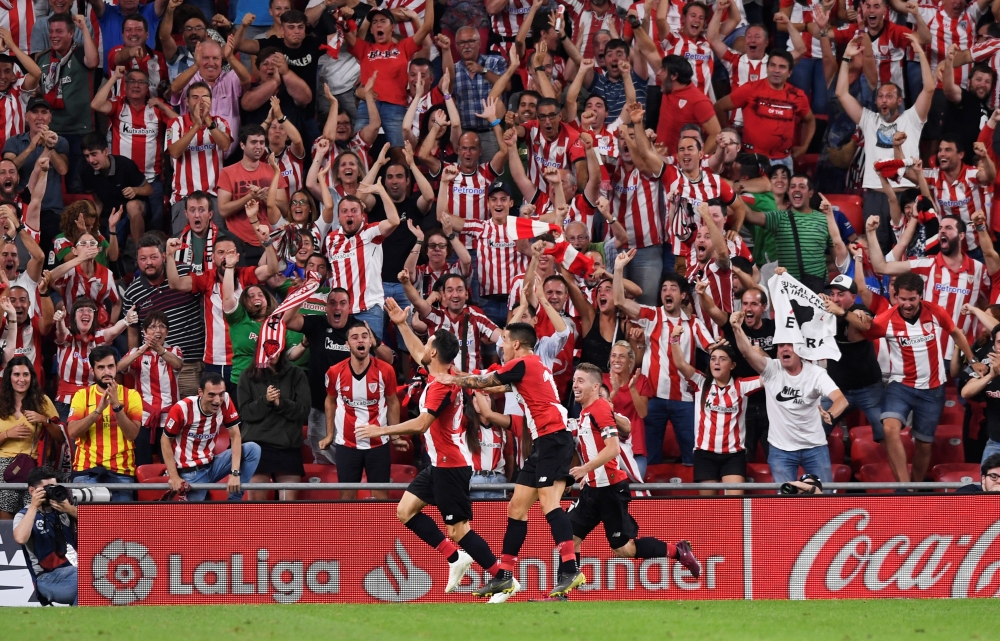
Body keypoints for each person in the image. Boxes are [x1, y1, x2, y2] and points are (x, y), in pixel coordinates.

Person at [356, 301, 502, 595]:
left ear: (433, 351)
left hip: (451, 465)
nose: (424, 346)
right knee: (406, 510)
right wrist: (400, 324)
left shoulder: (440, 386)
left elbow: (422, 424)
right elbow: (418, 352)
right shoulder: (443, 373)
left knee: (459, 531)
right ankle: (455, 557)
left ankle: (502, 576)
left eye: (428, 342)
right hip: (440, 463)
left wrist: (380, 430)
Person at [439, 322, 584, 602]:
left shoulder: (525, 363)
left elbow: (485, 381)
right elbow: (493, 382)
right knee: (516, 507)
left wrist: (453, 379)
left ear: (516, 344)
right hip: (545, 442)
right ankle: (504, 575)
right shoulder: (531, 366)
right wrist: (462, 375)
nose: (501, 345)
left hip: (554, 439)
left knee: (549, 503)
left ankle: (570, 568)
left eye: (504, 340)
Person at [568, 363, 701, 574]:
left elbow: (612, 450)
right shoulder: (585, 413)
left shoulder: (601, 409)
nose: (574, 385)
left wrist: (585, 469)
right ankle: (562, 592)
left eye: (580, 381)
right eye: (574, 380)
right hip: (592, 489)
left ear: (595, 387)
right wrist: (588, 474)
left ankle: (678, 551)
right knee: (568, 536)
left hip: (609, 489)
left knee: (624, 550)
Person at [863, 272, 980, 483]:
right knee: (889, 429)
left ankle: (916, 491)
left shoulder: (935, 312)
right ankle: (904, 488)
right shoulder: (885, 320)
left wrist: (972, 360)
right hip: (900, 386)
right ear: (895, 296)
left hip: (933, 389)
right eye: (902, 299)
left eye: (912, 299)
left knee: (924, 444)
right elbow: (861, 336)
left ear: (920, 296)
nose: (907, 304)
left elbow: (956, 332)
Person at [835, 31, 934, 256]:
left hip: (905, 193)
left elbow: (929, 89)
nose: (883, 100)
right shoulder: (869, 119)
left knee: (908, 252)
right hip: (875, 195)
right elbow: (841, 93)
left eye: (889, 96)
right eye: (880, 96)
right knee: (877, 253)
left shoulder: (912, 118)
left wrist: (920, 53)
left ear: (899, 101)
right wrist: (846, 59)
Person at [613, 250, 713, 467]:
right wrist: (619, 269)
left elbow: (712, 348)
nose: (667, 292)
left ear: (683, 295)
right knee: (651, 458)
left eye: (673, 288)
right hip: (652, 398)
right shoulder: (652, 315)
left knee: (693, 458)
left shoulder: (693, 324)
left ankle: (695, 499)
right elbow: (620, 301)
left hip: (684, 400)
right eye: (664, 289)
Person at [731, 311, 848, 486]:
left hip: (814, 447)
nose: (784, 348)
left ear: (800, 350)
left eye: (790, 345)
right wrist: (736, 329)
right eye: (780, 345)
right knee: (785, 503)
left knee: (824, 500)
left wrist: (830, 414)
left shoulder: (816, 374)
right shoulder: (771, 370)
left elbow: (841, 400)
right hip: (781, 451)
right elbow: (747, 353)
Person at [281, 287, 393, 465]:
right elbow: (284, 320)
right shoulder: (317, 324)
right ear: (326, 307)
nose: (337, 308)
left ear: (350, 307)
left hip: (352, 409)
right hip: (319, 405)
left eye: (342, 303)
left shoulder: (359, 330)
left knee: (352, 459)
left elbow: (389, 360)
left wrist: (374, 341)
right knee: (323, 457)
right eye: (332, 303)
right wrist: (303, 293)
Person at [165, 226, 278, 385]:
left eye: (230, 253)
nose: (226, 257)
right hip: (214, 359)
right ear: (212, 257)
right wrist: (170, 255)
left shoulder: (246, 275)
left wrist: (267, 242)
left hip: (244, 358)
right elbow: (175, 284)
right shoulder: (207, 279)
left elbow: (273, 269)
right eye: (220, 253)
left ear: (237, 256)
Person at [670, 328, 760, 494]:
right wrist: (674, 340)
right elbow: (680, 364)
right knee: (708, 508)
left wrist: (756, 353)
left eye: (722, 359)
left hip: (733, 455)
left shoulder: (742, 386)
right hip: (705, 455)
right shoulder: (700, 382)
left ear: (733, 365)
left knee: (734, 505)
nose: (716, 362)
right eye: (713, 359)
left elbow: (770, 375)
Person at [319, 321, 402, 501]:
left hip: (378, 444)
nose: (360, 341)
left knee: (381, 496)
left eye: (364, 336)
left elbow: (393, 402)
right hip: (347, 444)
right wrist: (329, 435)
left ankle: (380, 529)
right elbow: (330, 401)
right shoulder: (335, 372)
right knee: (347, 496)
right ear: (347, 344)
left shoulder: (386, 370)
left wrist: (394, 435)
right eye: (354, 338)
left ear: (371, 342)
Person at [91, 65, 177, 237]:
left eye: (141, 82)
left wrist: (161, 104)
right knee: (119, 228)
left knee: (156, 227)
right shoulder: (118, 105)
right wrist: (114, 77)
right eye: (131, 81)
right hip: (122, 180)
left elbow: (179, 123)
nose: (136, 86)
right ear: (125, 85)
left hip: (152, 179)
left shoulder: (156, 108)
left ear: (147, 87)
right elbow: (96, 104)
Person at [120, 233, 205, 398]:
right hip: (166, 367)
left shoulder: (183, 271)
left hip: (201, 357)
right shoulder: (132, 293)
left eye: (153, 257)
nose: (149, 263)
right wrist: (136, 362)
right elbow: (133, 332)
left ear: (164, 256)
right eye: (143, 259)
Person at [161, 372, 261, 501]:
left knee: (253, 449)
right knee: (194, 520)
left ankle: (233, 502)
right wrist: (174, 477)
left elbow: (235, 435)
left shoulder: (225, 400)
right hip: (191, 473)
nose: (217, 400)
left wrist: (235, 473)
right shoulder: (182, 408)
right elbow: (165, 440)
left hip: (213, 464)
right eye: (211, 395)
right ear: (200, 392)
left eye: (221, 394)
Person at [322, 178, 401, 340]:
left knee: (369, 358)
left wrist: (381, 191)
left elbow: (394, 221)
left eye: (353, 210)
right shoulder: (331, 239)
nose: (349, 214)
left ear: (362, 213)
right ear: (339, 216)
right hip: (340, 311)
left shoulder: (370, 233)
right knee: (340, 359)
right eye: (344, 211)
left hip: (369, 310)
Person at [712, 49, 814, 169]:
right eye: (772, 65)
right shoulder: (750, 89)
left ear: (790, 72)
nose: (776, 70)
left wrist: (804, 146)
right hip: (752, 158)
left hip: (784, 160)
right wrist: (731, 135)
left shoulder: (798, 96)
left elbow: (810, 120)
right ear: (767, 68)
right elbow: (719, 107)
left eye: (782, 67)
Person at [65, 346, 143, 502]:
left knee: (120, 526)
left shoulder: (131, 395)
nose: (106, 371)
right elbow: (72, 432)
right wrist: (98, 411)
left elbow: (132, 434)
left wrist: (116, 407)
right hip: (86, 471)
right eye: (101, 367)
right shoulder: (82, 395)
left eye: (110, 366)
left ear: (116, 368)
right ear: (93, 370)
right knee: (88, 525)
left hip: (121, 472)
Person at [743, 177, 848, 292]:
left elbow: (837, 259)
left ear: (810, 193)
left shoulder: (824, 219)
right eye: (792, 187)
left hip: (818, 290)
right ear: (788, 192)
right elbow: (750, 216)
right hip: (790, 290)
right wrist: (731, 194)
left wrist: (816, 266)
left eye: (802, 187)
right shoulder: (779, 217)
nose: (796, 189)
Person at [34, 13, 100, 194]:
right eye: (51, 31)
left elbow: (94, 61)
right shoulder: (42, 59)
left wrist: (84, 28)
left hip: (79, 130)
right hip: (52, 130)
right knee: (48, 182)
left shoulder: (80, 54)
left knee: (76, 185)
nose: (54, 35)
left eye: (59, 31)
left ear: (71, 33)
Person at [237, 343, 310, 501]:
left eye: (276, 348)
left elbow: (303, 411)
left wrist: (280, 403)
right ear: (259, 350)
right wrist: (266, 401)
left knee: (288, 507)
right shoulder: (247, 376)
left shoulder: (297, 374)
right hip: (257, 445)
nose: (272, 353)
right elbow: (246, 413)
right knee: (256, 506)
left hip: (288, 446)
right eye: (267, 348)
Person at [820, 275, 885, 439]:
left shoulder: (861, 310)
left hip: (868, 388)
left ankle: (893, 464)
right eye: (833, 294)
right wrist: (814, 300)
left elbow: (865, 325)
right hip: (837, 389)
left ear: (853, 298)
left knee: (884, 432)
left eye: (841, 294)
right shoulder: (825, 312)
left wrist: (842, 312)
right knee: (816, 430)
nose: (835, 298)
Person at [116, 311, 183, 467]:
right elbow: (118, 367)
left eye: (162, 326)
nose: (157, 330)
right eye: (152, 327)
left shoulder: (174, 350)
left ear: (167, 332)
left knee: (168, 462)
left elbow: (178, 364)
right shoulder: (136, 353)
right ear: (144, 332)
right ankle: (142, 491)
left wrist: (159, 349)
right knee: (142, 460)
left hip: (169, 415)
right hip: (143, 416)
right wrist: (141, 350)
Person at [165, 81, 234, 233]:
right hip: (183, 197)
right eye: (195, 97)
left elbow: (225, 145)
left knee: (218, 247)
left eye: (205, 97)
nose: (200, 101)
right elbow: (175, 152)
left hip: (214, 197)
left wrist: (208, 123)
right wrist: (196, 125)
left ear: (211, 101)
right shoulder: (175, 123)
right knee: (182, 249)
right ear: (187, 102)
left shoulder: (220, 122)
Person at [52, 298, 135, 421]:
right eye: (81, 310)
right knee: (68, 439)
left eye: (89, 310)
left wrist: (126, 320)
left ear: (94, 317)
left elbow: (114, 331)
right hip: (66, 402)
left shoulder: (99, 337)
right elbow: (61, 332)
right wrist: (60, 321)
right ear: (74, 317)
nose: (85, 313)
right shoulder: (68, 337)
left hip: (93, 401)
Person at [0, 356, 62, 519]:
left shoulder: (42, 402)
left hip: (36, 464)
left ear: (32, 377)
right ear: (9, 377)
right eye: (17, 375)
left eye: (26, 375)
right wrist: (8, 434)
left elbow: (61, 436)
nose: (21, 379)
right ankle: (10, 545)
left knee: (35, 513)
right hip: (5, 465)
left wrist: (45, 420)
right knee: (5, 509)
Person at [217, 125, 288, 262]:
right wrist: (250, 196)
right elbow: (223, 210)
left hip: (270, 241)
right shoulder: (228, 172)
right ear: (242, 145)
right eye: (253, 142)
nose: (259, 146)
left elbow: (285, 209)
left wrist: (265, 197)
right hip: (240, 244)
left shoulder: (273, 171)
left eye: (262, 142)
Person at [12, 467, 78, 605]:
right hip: (47, 578)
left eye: (53, 487)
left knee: (94, 579)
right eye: (46, 488)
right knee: (89, 579)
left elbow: (99, 526)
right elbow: (20, 538)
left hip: (74, 571)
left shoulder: (64, 509)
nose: (51, 492)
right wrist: (33, 507)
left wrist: (70, 510)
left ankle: (77, 621)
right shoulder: (24, 515)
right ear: (32, 491)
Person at [80, 132, 151, 246]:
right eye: (87, 156)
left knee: (131, 206)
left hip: (138, 210)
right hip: (113, 214)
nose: (91, 160)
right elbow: (98, 202)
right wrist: (91, 226)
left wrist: (135, 190)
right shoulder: (86, 171)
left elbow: (149, 189)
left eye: (94, 154)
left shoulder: (125, 165)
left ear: (106, 151)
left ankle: (139, 251)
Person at [960, 324, 1000, 464]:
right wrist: (990, 376)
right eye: (999, 342)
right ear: (994, 345)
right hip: (995, 443)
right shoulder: (985, 366)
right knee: (987, 484)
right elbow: (965, 392)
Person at [0, 29, 42, 151]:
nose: (2, 76)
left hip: (15, 158)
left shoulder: (18, 91)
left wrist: (12, 46)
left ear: (13, 75)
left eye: (7, 71)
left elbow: (36, 73)